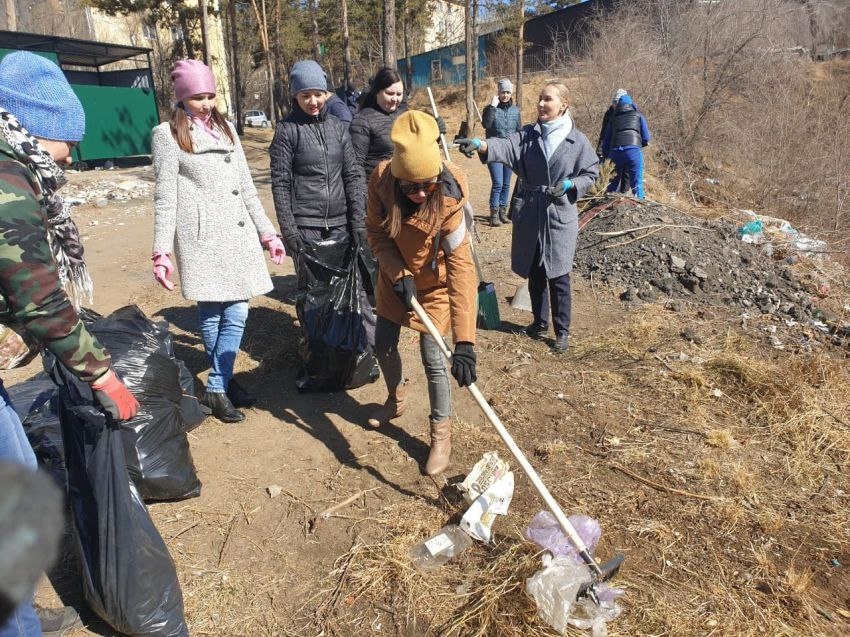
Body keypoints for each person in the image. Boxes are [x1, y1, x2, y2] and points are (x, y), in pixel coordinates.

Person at [0, 50, 139, 637]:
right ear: (35, 124)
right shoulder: (5, 179)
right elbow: (36, 295)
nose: (70, 154)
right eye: (65, 139)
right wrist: (101, 373)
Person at [151, 59, 284, 424]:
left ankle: (218, 383)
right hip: (201, 237)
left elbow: (246, 187)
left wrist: (267, 232)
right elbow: (165, 197)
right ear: (181, 98)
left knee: (238, 309)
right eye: (198, 97)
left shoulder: (226, 129)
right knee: (211, 315)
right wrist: (161, 250)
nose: (207, 104)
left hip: (237, 234)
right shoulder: (166, 135)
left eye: (210, 95)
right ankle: (221, 384)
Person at [365, 110, 478, 476]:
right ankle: (395, 399)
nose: (418, 193)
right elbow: (377, 235)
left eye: (425, 184)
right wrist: (397, 272)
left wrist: (465, 342)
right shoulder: (382, 180)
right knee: (382, 343)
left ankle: (440, 435)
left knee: (434, 359)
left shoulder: (449, 193)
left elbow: (461, 267)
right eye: (409, 187)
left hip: (434, 286)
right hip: (395, 277)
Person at [456, 81, 599, 353]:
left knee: (558, 274)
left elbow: (590, 174)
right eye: (540, 100)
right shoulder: (528, 135)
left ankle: (562, 331)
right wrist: (481, 144)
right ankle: (539, 320)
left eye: (548, 100)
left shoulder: (577, 140)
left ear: (563, 105)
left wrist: (571, 186)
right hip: (531, 209)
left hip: (558, 214)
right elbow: (506, 145)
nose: (541, 104)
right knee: (535, 269)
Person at [349, 67, 408, 182]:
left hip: (404, 189)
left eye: (399, 94)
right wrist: (362, 195)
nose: (395, 99)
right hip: (377, 190)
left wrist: (433, 131)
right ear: (376, 92)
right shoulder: (362, 120)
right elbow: (355, 164)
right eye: (390, 93)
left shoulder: (404, 116)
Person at [481, 78, 521, 227]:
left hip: (509, 151)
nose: (505, 95)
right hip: (494, 150)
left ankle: (503, 213)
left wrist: (519, 149)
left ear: (511, 93)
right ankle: (494, 214)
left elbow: (518, 132)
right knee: (497, 183)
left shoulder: (516, 111)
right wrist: (492, 106)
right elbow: (486, 124)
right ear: (498, 92)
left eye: (508, 92)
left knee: (506, 184)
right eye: (503, 92)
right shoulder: (490, 109)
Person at [600, 93, 650, 199]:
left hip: (615, 152)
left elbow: (606, 141)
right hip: (633, 151)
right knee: (637, 184)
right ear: (631, 104)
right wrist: (641, 143)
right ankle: (639, 202)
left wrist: (605, 157)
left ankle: (607, 204)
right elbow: (646, 137)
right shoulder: (638, 115)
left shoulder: (613, 119)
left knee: (612, 183)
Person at [595, 88, 627, 160]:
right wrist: (600, 150)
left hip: (625, 149)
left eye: (617, 104)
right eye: (614, 103)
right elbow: (604, 132)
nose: (614, 106)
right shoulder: (609, 113)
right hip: (610, 147)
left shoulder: (630, 114)